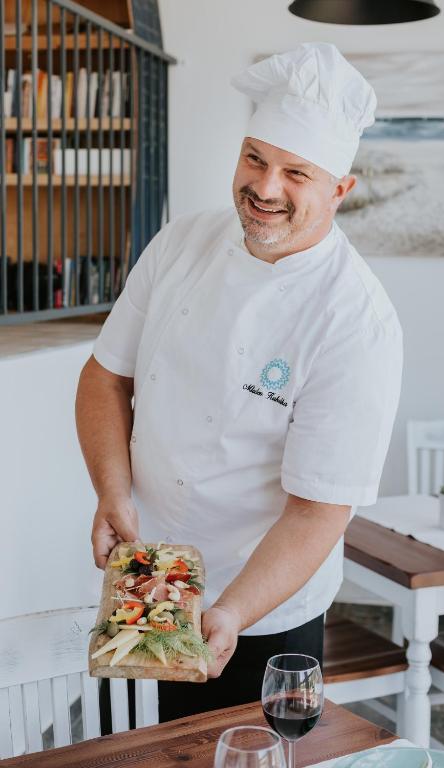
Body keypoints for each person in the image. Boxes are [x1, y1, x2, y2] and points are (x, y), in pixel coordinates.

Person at [75, 42, 403, 722]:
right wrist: (112, 491)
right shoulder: (181, 244)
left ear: (340, 191)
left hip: (264, 612)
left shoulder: (356, 321)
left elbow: (318, 511)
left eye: (296, 172)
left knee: (246, 758)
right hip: (146, 574)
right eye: (255, 158)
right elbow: (105, 376)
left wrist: (231, 610)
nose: (265, 187)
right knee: (127, 751)